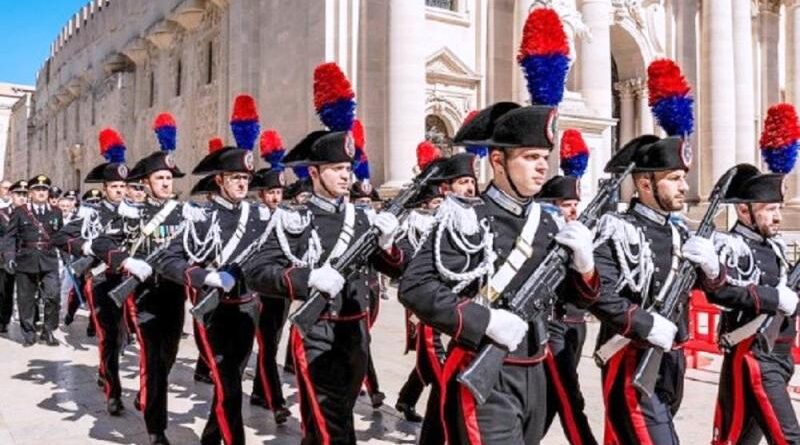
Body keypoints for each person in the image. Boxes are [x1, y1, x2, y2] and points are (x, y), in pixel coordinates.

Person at [244, 129, 404, 445]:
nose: (346, 176)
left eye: (348, 168)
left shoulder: (362, 219)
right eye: (337, 169)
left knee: (332, 419)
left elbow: (395, 269)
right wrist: (307, 279)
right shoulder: (296, 219)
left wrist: (388, 244)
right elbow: (257, 271)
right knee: (337, 429)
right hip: (319, 334)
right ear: (315, 172)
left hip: (356, 332)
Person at [153, 95, 270, 445]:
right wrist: (206, 277)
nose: (242, 184)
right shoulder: (199, 218)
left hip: (248, 307)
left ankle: (209, 438)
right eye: (235, 178)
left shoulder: (261, 216)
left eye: (246, 178)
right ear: (219, 180)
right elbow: (168, 259)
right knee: (229, 388)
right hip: (215, 312)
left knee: (231, 381)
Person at [91, 112, 196, 445]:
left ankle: (148, 396)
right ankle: (156, 429)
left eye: (169, 178)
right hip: (145, 297)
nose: (166, 183)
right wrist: (127, 261)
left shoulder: (184, 212)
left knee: (167, 359)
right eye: (160, 178)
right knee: (151, 359)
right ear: (146, 182)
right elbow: (101, 242)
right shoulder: (132, 212)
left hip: (175, 294)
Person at [707, 108, 800, 445]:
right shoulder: (729, 246)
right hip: (754, 356)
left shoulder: (773, 247)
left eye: (778, 208)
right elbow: (723, 292)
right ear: (744, 210)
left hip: (779, 355)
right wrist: (776, 298)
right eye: (769, 210)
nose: (777, 217)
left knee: (737, 439)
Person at [54, 128, 133, 415]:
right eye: (115, 187)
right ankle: (114, 393)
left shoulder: (136, 212)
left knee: (124, 337)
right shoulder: (90, 213)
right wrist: (87, 248)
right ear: (105, 188)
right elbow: (61, 238)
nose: (120, 192)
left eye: (123, 187)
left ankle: (105, 368)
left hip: (129, 281)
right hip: (100, 280)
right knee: (108, 336)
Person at [535, 166, 597, 445]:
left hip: (577, 325)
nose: (572, 211)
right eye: (565, 205)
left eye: (575, 204)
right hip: (553, 325)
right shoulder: (543, 239)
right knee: (570, 396)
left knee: (551, 397)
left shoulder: (579, 236)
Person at [247, 129, 292, 425]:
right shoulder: (252, 219)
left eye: (279, 192)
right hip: (260, 291)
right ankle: (275, 401)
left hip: (282, 292)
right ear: (262, 194)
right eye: (271, 192)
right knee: (266, 346)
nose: (276, 197)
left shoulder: (288, 217)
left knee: (272, 343)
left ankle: (258, 392)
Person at [2, 175, 64, 346]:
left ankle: (48, 331)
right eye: (37, 189)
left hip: (49, 259)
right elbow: (10, 237)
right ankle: (28, 332)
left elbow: (60, 237)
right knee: (26, 298)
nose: (42, 192)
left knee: (53, 295)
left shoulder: (56, 212)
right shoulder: (20, 212)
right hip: (26, 259)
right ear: (30, 192)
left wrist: (67, 259)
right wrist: (9, 257)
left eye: (44, 189)